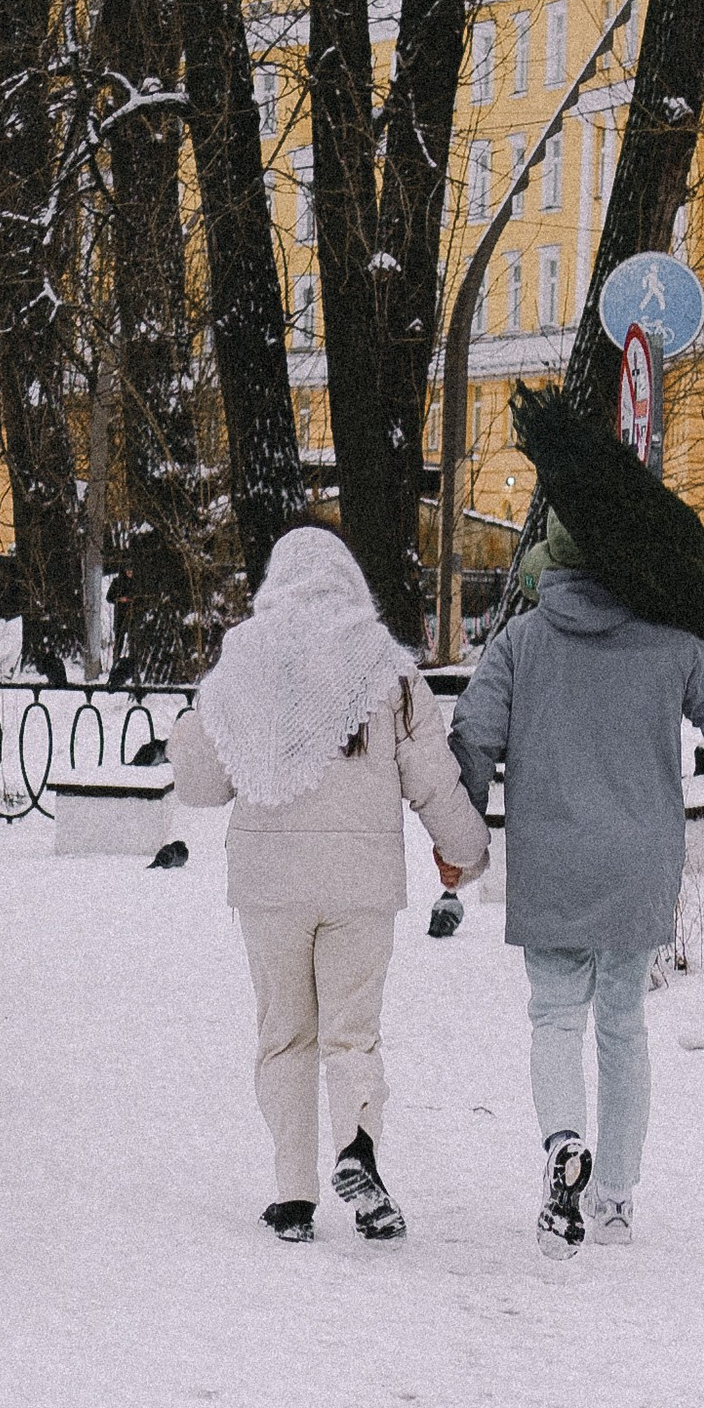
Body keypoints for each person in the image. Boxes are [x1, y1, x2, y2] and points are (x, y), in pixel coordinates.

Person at [448, 503, 704, 1251]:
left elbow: (472, 737)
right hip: (637, 862)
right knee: (624, 1023)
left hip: (552, 860)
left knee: (555, 1017)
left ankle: (564, 1144)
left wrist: (459, 835)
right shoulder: (674, 643)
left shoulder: (521, 641)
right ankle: (616, 1198)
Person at [172, 526, 490, 1244]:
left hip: (269, 886)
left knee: (284, 1035)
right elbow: (432, 780)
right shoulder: (388, 669)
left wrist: (192, 725)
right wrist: (465, 852)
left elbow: (202, 785)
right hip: (361, 885)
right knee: (353, 1034)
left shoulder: (243, 660)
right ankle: (358, 1147)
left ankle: (292, 1196)